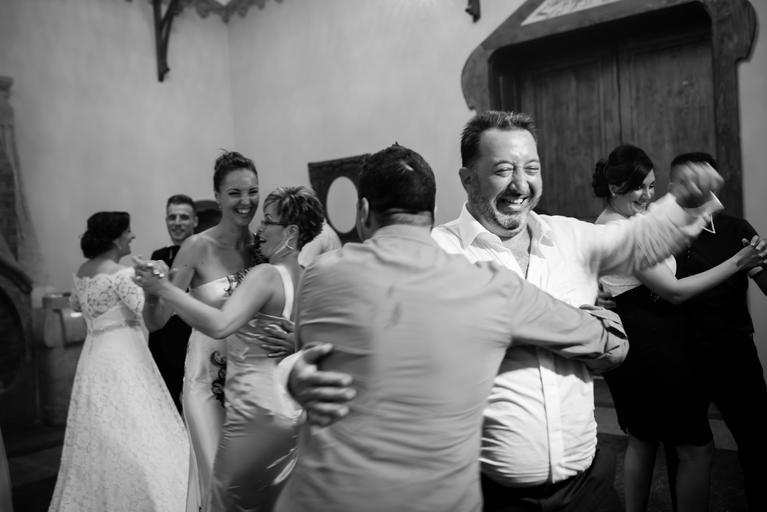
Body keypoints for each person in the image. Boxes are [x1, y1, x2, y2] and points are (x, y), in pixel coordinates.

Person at [286, 111, 733, 512]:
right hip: (492, 492)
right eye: (504, 170)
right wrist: (297, 374)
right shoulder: (437, 251)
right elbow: (372, 333)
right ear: (468, 179)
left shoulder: (571, 237)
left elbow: (644, 240)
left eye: (531, 168)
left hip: (586, 482)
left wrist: (684, 200)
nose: (521, 184)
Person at [274, 144, 631, 512]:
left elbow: (314, 359)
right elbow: (604, 341)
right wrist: (604, 319)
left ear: (363, 211)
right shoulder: (488, 287)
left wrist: (292, 376)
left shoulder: (318, 276)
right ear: (432, 217)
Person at [592, 145, 765, 512]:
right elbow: (672, 289)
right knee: (689, 446)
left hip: (691, 345)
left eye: (652, 186)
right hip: (656, 349)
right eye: (639, 187)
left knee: (646, 439)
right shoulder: (623, 229)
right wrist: (739, 260)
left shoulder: (635, 222)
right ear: (615, 188)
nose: (647, 195)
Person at [137, 186, 324, 512]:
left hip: (257, 412)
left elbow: (220, 324)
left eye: (268, 221)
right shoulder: (309, 277)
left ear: (291, 233)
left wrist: (164, 289)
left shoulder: (265, 275)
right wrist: (299, 341)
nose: (260, 229)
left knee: (226, 499)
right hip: (293, 411)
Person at [142, 151, 263, 512]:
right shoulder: (196, 248)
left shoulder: (260, 247)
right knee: (218, 481)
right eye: (235, 193)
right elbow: (157, 321)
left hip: (251, 381)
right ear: (218, 196)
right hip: (206, 382)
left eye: (252, 191)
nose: (246, 201)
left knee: (251, 484)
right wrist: (153, 293)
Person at [49, 212, 187, 512]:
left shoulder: (83, 270)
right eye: (128, 231)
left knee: (102, 427)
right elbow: (152, 319)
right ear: (115, 238)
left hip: (94, 355)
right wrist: (165, 284)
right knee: (139, 424)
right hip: (125, 356)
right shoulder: (122, 275)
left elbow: (76, 303)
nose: (132, 236)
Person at [669, 152, 767, 512]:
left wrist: (761, 260)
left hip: (734, 348)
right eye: (681, 181)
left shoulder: (736, 229)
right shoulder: (665, 234)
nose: (688, 188)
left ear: (712, 184)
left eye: (697, 180)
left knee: (758, 441)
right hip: (683, 353)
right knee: (684, 447)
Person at [147, 194, 198, 413]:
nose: (177, 222)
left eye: (184, 217)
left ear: (195, 221)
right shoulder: (158, 255)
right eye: (172, 217)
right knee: (165, 405)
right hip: (163, 337)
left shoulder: (203, 253)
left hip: (191, 336)